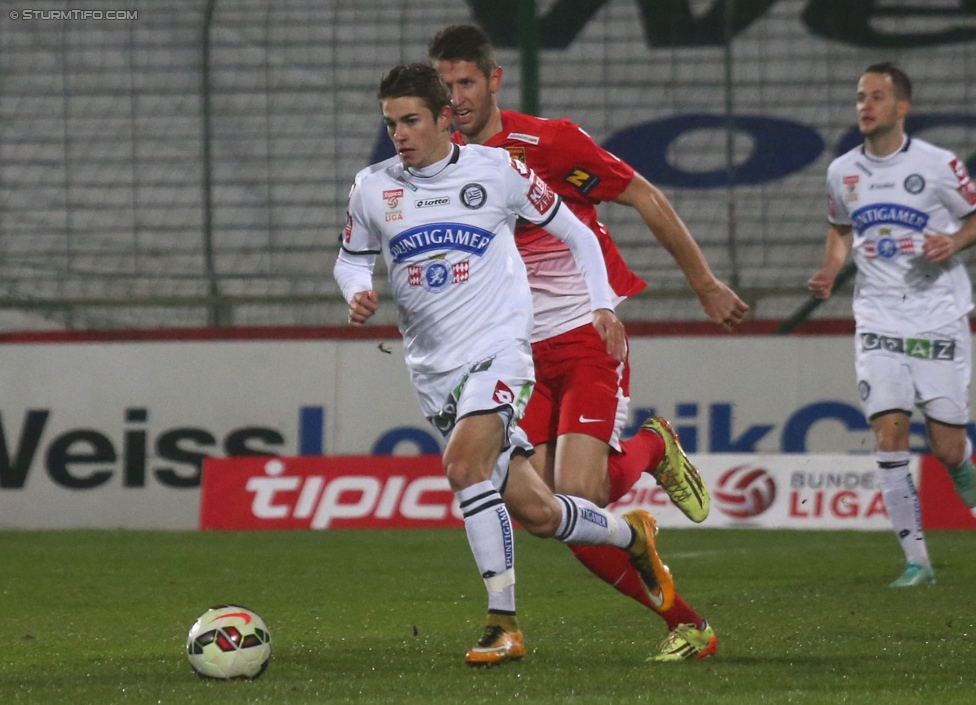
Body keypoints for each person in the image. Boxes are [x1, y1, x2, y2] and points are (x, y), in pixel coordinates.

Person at [333, 63, 677, 667]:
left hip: (500, 352)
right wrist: (355, 289)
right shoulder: (372, 187)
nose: (400, 135)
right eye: (391, 125)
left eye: (411, 121)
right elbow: (351, 259)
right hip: (432, 368)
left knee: (464, 466)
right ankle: (632, 535)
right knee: (540, 512)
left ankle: (503, 625)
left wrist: (601, 304)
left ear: (444, 119)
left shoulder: (497, 172)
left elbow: (578, 233)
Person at [429, 24, 749, 660]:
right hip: (517, 355)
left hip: (585, 335)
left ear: (494, 80)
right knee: (553, 517)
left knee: (581, 498)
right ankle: (690, 625)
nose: (457, 96)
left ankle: (653, 446)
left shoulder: (549, 142)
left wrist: (706, 283)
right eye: (446, 84)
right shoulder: (446, 165)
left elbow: (644, 197)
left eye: (468, 81)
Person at [809, 62, 976, 587]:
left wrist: (954, 241)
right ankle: (917, 562)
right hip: (878, 316)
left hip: (938, 316)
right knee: (890, 432)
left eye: (878, 97)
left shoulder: (938, 165)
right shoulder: (842, 172)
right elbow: (840, 229)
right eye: (861, 96)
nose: (866, 105)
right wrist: (831, 269)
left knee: (949, 448)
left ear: (901, 107)